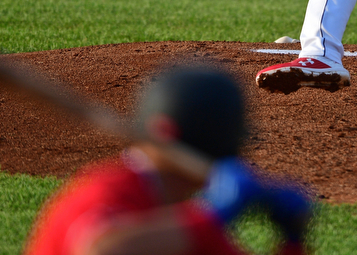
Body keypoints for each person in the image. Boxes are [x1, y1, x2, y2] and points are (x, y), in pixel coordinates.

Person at [23, 64, 312, 255]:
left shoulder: (190, 221)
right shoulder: (104, 192)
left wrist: (292, 243)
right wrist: (211, 216)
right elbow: (96, 249)